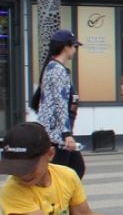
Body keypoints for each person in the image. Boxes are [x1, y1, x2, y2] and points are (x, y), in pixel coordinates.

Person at [33, 29, 85, 179]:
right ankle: (56, 200)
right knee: (70, 171)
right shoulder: (57, 70)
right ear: (66, 47)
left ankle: (63, 199)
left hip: (53, 131)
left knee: (72, 170)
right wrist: (66, 134)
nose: (75, 50)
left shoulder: (51, 68)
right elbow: (60, 103)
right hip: (56, 134)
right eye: (74, 46)